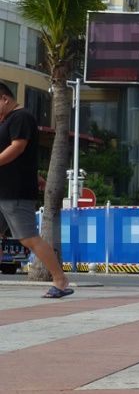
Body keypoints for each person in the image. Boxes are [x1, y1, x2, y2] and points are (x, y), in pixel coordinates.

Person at [0, 82, 73, 298]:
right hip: (4, 189)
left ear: (4, 99)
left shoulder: (21, 117)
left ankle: (60, 280)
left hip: (15, 191)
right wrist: (37, 177)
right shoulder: (7, 120)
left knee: (28, 238)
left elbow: (18, 148)